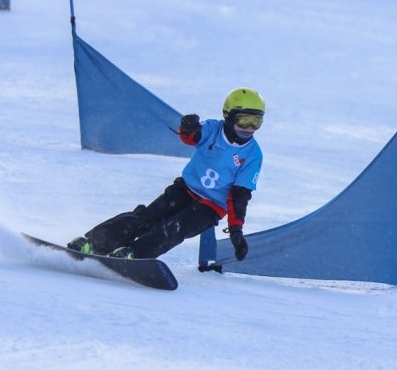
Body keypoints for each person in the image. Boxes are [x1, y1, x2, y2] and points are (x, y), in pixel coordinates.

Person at [68, 88, 265, 261]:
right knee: (147, 217)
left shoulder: (253, 155)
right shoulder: (214, 129)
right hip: (185, 190)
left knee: (174, 228)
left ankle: (133, 255)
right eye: (244, 120)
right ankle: (94, 243)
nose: (250, 128)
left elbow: (240, 195)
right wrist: (188, 128)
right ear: (229, 116)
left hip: (211, 207)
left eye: (256, 121)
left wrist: (236, 229)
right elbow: (191, 137)